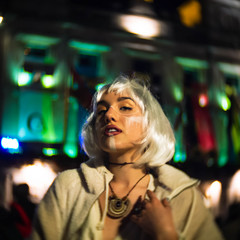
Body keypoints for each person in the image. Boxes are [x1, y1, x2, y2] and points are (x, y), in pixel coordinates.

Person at [31, 74, 224, 240]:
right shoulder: (68, 186)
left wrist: (165, 234)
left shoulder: (182, 194)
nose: (109, 116)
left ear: (150, 124)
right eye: (101, 110)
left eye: (125, 108)